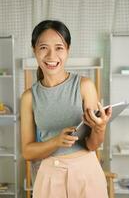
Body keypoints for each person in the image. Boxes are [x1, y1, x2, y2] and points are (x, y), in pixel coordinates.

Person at [20, 20, 112, 198]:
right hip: (49, 177)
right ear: (34, 50)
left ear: (68, 49)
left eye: (59, 48)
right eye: (44, 47)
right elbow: (27, 152)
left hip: (87, 173)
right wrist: (56, 141)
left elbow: (92, 144)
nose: (51, 55)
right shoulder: (29, 97)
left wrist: (100, 127)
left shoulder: (84, 86)